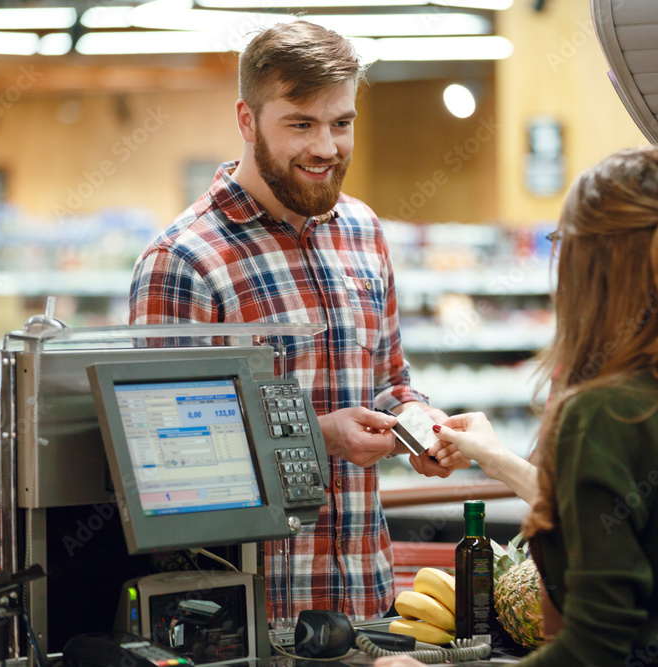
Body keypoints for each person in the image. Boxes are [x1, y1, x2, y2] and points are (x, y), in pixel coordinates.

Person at [383, 145, 658, 666]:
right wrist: (494, 456)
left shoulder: (602, 415)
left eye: (562, 243)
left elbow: (594, 650)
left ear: (593, 263)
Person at [129, 20, 465, 622]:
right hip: (248, 622)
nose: (326, 147)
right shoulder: (184, 261)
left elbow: (389, 378)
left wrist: (418, 421)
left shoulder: (363, 232)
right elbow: (164, 465)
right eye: (301, 124)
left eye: (341, 123)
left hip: (370, 603)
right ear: (246, 120)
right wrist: (318, 437)